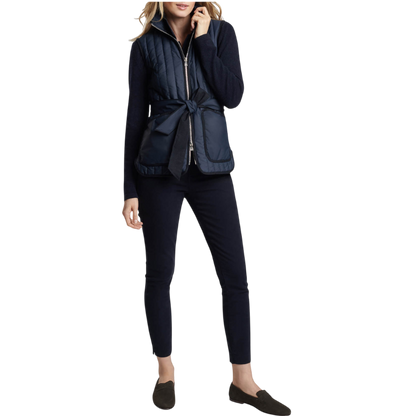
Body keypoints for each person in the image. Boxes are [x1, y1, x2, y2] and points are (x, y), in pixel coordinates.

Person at [121, 1, 292, 415]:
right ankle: (165, 372)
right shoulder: (144, 45)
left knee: (234, 274)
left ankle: (243, 379)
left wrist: (203, 41)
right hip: (158, 171)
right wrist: (129, 189)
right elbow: (136, 115)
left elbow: (233, 96)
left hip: (212, 170)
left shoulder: (220, 33)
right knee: (160, 272)